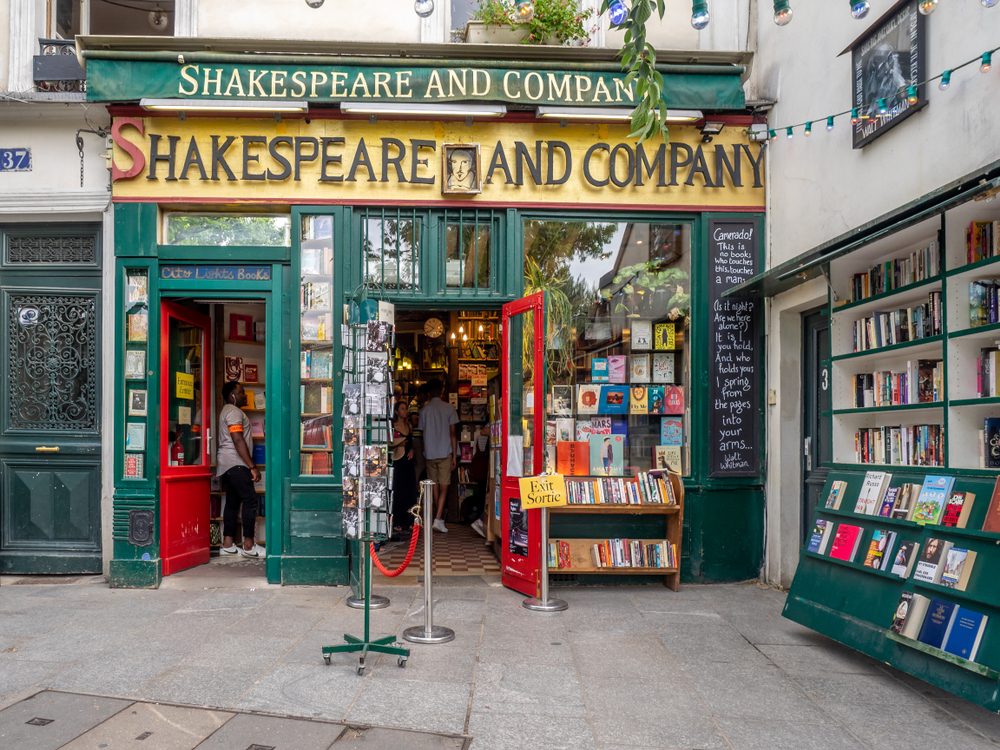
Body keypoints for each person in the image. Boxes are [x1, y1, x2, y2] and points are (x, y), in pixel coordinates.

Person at [217, 382, 265, 558]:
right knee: (250, 500)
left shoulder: (227, 411)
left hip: (228, 464)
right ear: (232, 395)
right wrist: (252, 467)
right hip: (237, 463)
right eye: (242, 392)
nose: (245, 395)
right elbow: (237, 440)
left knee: (232, 503)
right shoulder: (234, 411)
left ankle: (228, 544)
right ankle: (249, 546)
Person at [418, 379, 458, 533]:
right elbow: (453, 433)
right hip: (444, 451)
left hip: (430, 453)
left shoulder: (424, 410)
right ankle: (438, 519)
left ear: (428, 393)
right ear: (442, 391)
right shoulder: (449, 408)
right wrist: (454, 455)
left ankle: (438, 518)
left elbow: (422, 432)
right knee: (444, 486)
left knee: (433, 485)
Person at [391, 400, 418, 539]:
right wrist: (399, 443)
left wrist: (412, 450)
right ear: (396, 411)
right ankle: (397, 521)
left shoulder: (409, 426)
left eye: (405, 408)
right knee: (398, 490)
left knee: (410, 490)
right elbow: (388, 445)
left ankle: (409, 520)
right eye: (402, 408)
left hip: (408, 460)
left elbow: (412, 443)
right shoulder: (392, 426)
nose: (405, 411)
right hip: (397, 460)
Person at [408, 383, 430, 483]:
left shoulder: (419, 405)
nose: (426, 398)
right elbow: (414, 421)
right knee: (420, 463)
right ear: (421, 394)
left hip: (420, 437)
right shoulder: (414, 404)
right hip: (417, 437)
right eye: (426, 396)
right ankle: (416, 486)